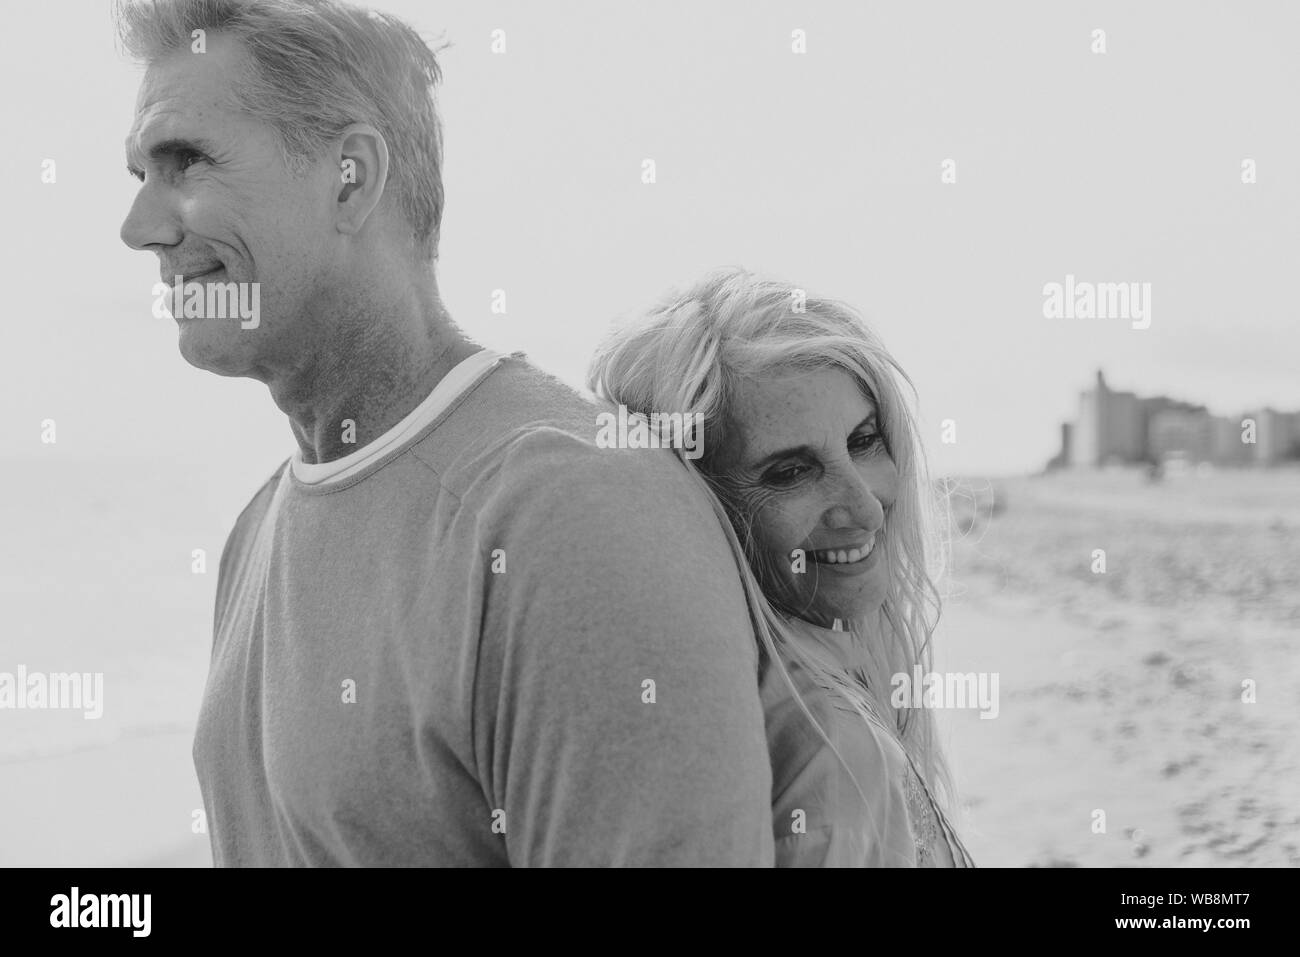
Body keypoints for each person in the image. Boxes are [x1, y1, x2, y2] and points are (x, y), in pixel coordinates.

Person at [116, 0, 774, 866]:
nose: (140, 229)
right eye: (140, 177)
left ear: (350, 177)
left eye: (187, 161)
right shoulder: (254, 534)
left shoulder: (569, 513)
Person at [588, 268, 976, 866]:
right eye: (790, 473)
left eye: (865, 440)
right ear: (701, 502)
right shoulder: (833, 745)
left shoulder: (673, 688)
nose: (867, 507)